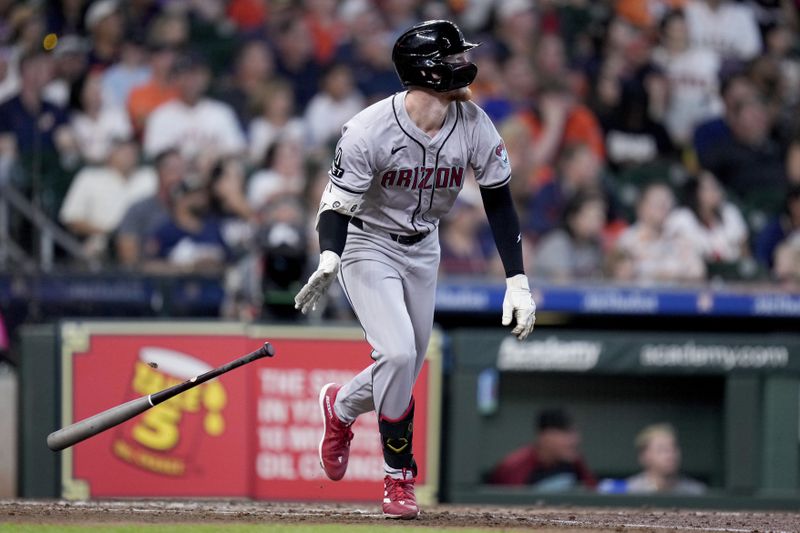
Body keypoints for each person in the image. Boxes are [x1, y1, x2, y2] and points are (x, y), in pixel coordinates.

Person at [293, 20, 535, 519]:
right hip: (367, 242)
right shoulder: (367, 129)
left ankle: (340, 406)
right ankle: (399, 479)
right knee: (399, 352)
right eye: (449, 59)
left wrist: (517, 280)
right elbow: (335, 206)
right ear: (425, 70)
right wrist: (330, 256)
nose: (460, 66)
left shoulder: (472, 121)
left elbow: (499, 201)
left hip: (425, 246)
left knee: (405, 363)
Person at [488, 408, 597, 491]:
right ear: (544, 436)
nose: (575, 440)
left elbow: (594, 492)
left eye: (574, 433)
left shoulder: (574, 461)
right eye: (566, 433)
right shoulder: (515, 466)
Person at [625, 423, 706, 495]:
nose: (670, 455)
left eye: (674, 448)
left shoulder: (696, 492)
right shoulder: (630, 490)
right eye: (662, 449)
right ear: (644, 456)